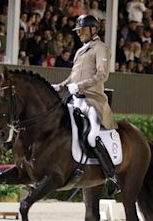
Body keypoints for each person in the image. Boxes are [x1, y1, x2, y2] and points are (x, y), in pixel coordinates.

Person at [52, 14, 119, 196]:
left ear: (94, 30)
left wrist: (79, 86)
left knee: (91, 136)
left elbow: (102, 76)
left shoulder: (101, 48)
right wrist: (61, 86)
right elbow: (73, 76)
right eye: (78, 30)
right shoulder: (81, 50)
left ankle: (111, 176)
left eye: (82, 29)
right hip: (75, 98)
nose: (79, 33)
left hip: (92, 99)